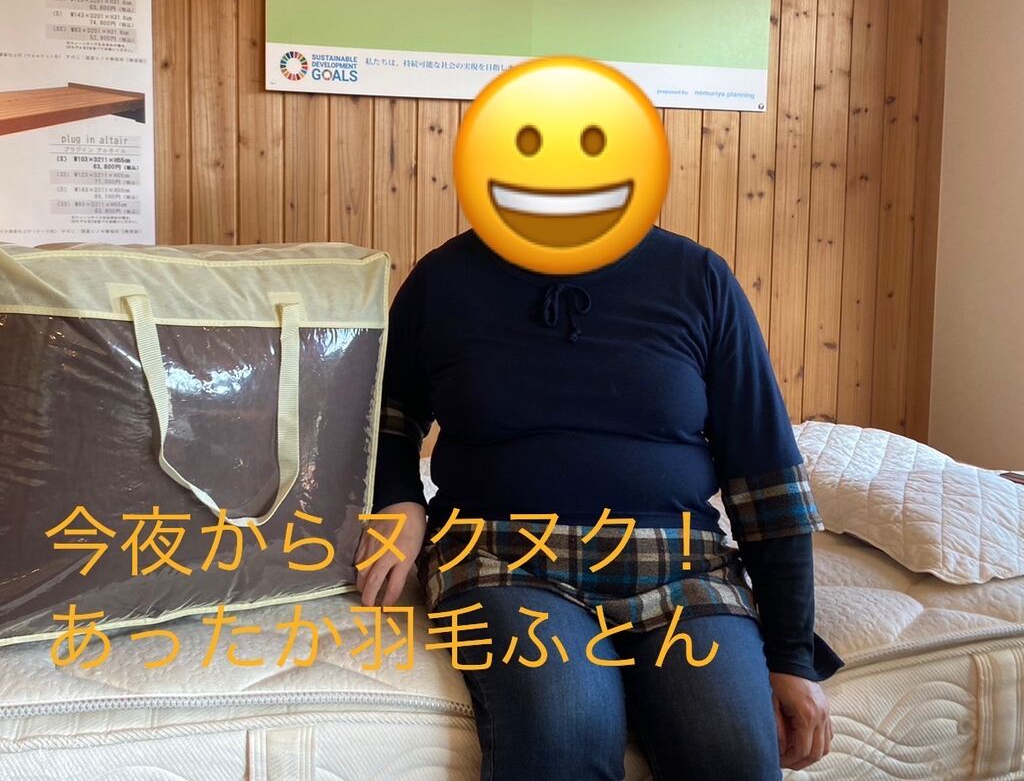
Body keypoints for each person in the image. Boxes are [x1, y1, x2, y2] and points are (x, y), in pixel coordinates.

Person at [355, 225, 843, 781]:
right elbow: (386, 413)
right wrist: (400, 501)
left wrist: (791, 657)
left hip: (683, 568)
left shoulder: (700, 278)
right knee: (564, 728)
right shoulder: (443, 279)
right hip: (502, 559)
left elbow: (766, 478)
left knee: (732, 751)